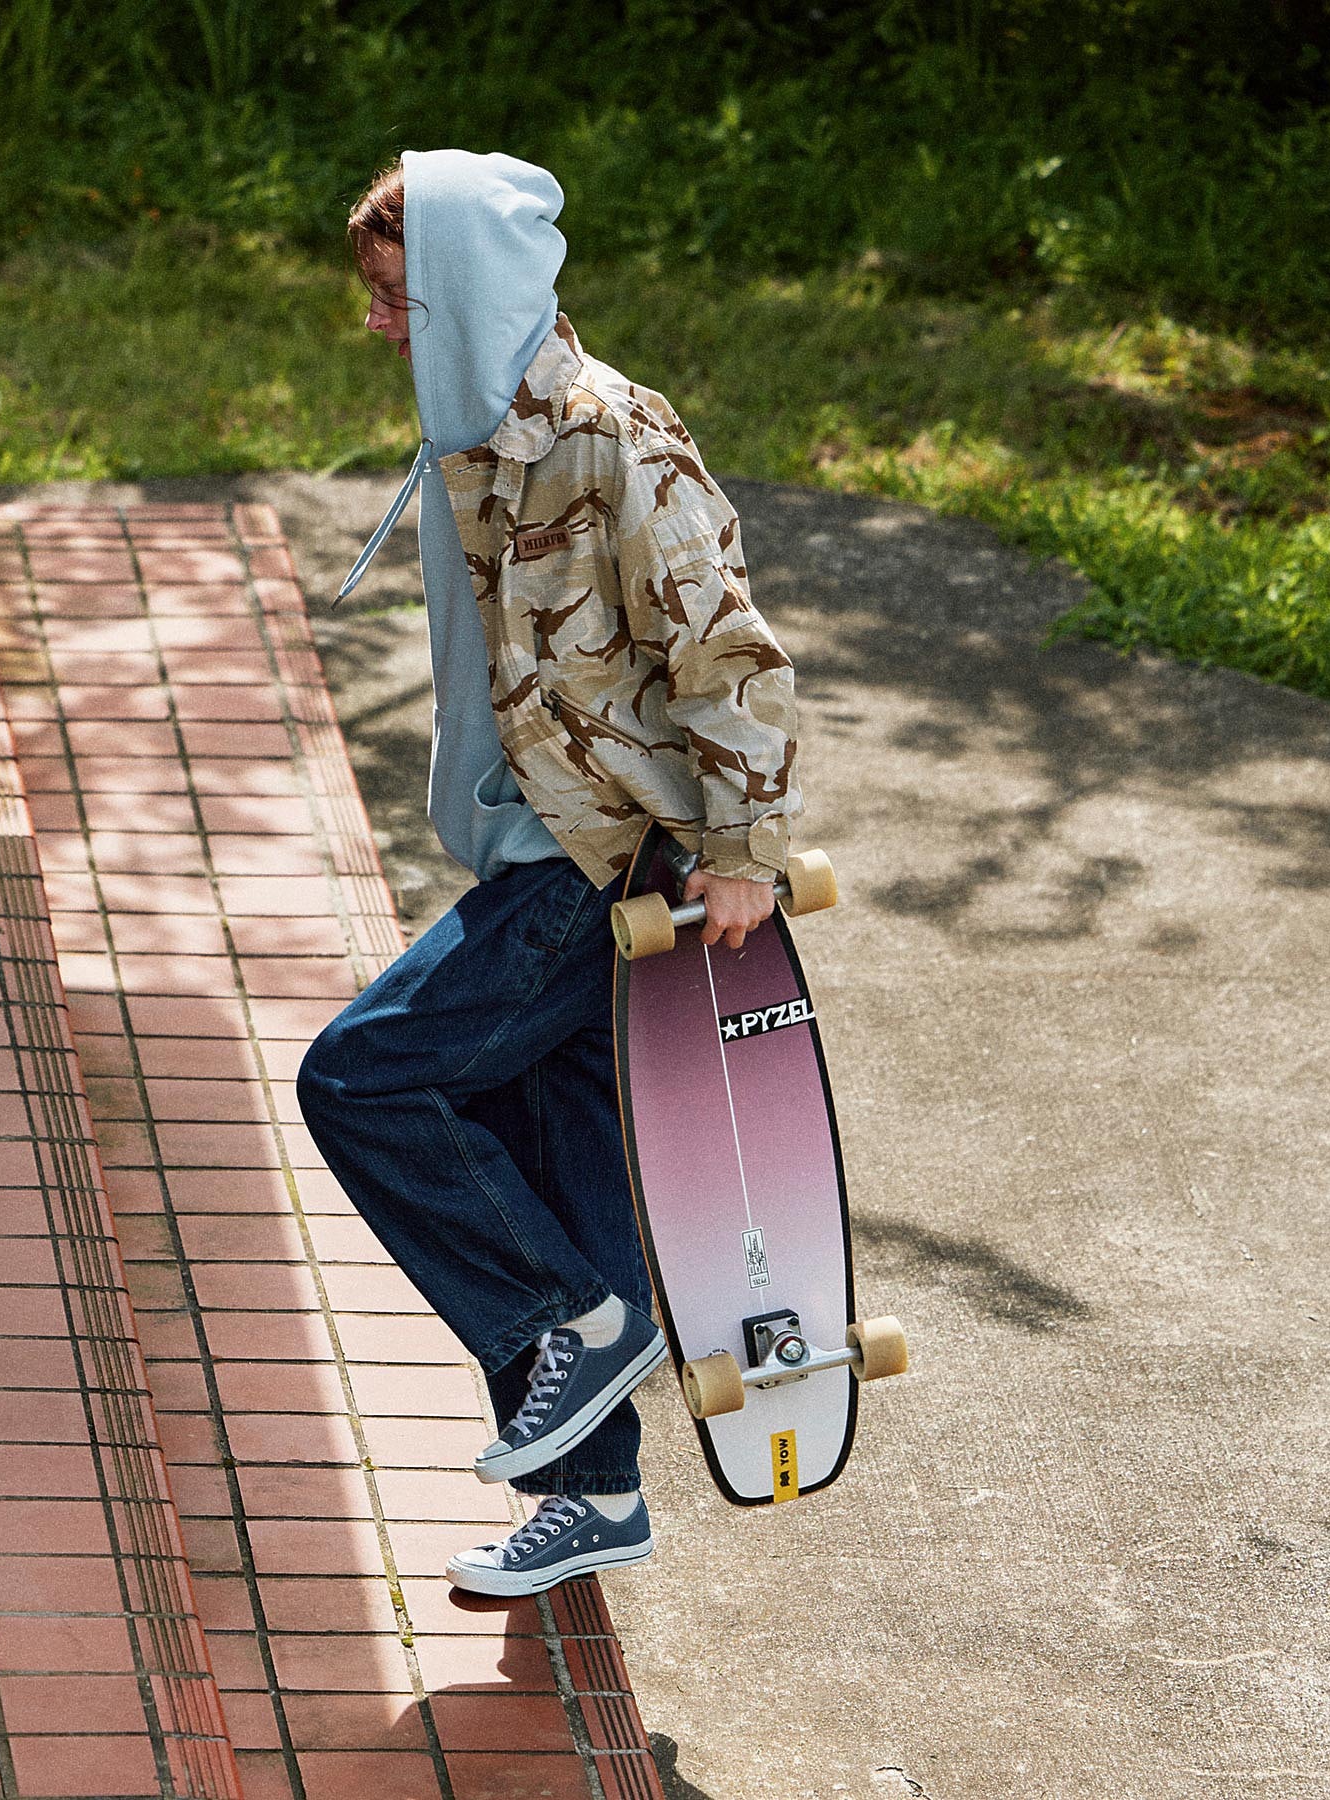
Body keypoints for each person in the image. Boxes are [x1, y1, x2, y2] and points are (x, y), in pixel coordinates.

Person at [296, 148, 802, 1596]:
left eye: (399, 299)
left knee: (365, 1078)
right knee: (547, 1128)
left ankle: (576, 1319)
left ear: (467, 290)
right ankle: (596, 1496)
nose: (381, 327)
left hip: (604, 862)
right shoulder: (473, 421)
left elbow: (731, 655)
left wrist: (744, 854)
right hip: (539, 842)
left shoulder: (608, 438)